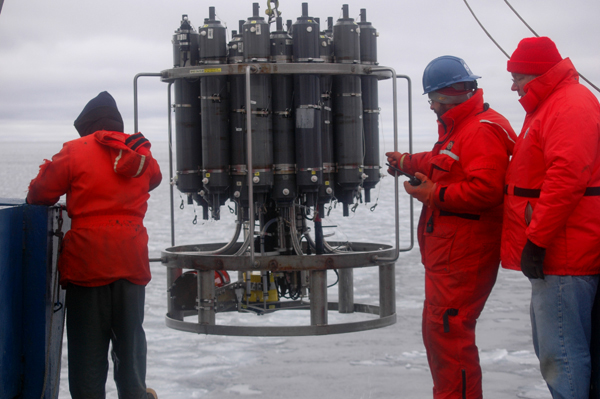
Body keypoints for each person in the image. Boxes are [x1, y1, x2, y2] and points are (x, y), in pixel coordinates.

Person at [386, 56, 516, 398]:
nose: (431, 106)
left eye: (432, 99)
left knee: (449, 334)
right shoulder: (463, 127)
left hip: (464, 253)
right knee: (440, 333)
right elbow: (439, 161)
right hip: (448, 252)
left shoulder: (481, 130)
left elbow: (486, 191)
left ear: (446, 95)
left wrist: (433, 193)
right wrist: (404, 163)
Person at [26, 91, 162, 399]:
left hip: (88, 262)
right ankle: (137, 394)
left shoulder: (75, 151)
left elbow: (40, 193)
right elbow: (154, 178)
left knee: (87, 350)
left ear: (86, 126)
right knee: (130, 343)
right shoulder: (141, 155)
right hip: (131, 259)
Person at [501, 36, 600, 398]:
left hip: (565, 253)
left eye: (517, 76)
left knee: (562, 355)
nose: (512, 85)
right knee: (560, 351)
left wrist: (537, 241)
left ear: (537, 74)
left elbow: (567, 177)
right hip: (563, 249)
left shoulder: (567, 105)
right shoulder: (553, 104)